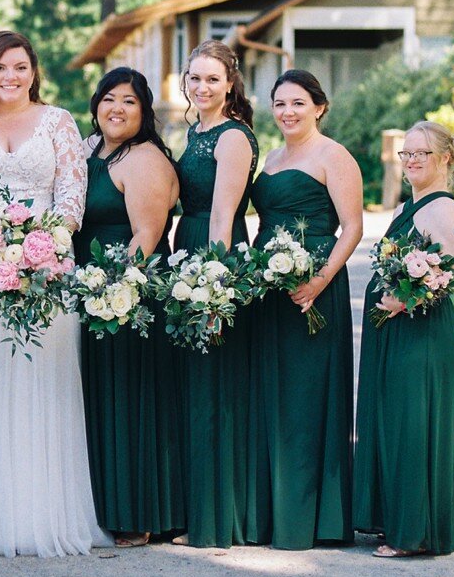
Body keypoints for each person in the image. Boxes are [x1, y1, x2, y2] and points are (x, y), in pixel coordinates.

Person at [0, 30, 109, 556]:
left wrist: (42, 248)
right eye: (0, 68)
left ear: (34, 70)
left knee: (46, 387)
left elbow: (72, 199)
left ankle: (47, 516)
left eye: (20, 66)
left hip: (49, 271)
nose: (11, 77)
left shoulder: (59, 122)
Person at [249, 68, 364, 550]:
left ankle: (316, 518)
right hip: (269, 289)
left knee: (308, 397)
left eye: (298, 103)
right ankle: (274, 515)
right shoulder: (272, 157)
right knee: (272, 396)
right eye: (279, 104)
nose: (287, 112)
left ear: (318, 107)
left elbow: (353, 227)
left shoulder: (333, 155)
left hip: (314, 286)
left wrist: (318, 281)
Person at [76, 67, 182, 547]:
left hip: (127, 294)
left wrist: (112, 289)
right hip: (89, 287)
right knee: (100, 398)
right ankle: (103, 506)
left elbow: (147, 234)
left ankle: (138, 512)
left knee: (129, 399)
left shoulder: (143, 159)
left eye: (130, 101)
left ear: (145, 112)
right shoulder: (89, 149)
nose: (116, 108)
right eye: (109, 98)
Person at [353, 120, 454, 557]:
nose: (413, 160)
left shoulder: (443, 209)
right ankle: (396, 521)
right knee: (395, 424)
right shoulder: (410, 207)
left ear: (446, 159)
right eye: (407, 153)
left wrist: (405, 300)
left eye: (422, 152)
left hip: (422, 336)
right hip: (397, 336)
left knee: (414, 427)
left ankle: (414, 534)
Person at [171, 40, 263, 548]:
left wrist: (211, 285)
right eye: (194, 78)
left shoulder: (233, 137)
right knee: (194, 386)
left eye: (212, 79)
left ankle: (218, 520)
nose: (201, 87)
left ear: (230, 83)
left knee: (216, 387)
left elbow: (226, 216)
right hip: (187, 245)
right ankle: (198, 510)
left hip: (213, 256)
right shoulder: (196, 131)